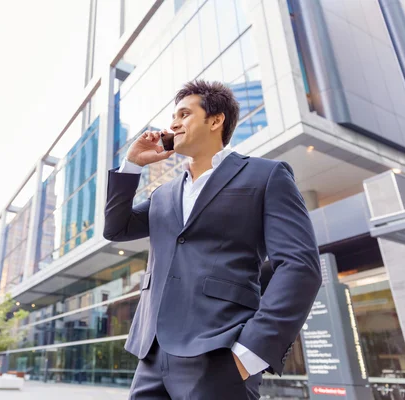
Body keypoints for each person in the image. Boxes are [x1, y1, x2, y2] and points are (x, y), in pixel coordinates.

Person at [103, 80, 322, 399]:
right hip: (151, 355)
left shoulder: (265, 176)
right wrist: (132, 165)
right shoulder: (163, 194)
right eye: (172, 117)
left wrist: (251, 353)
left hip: (220, 353)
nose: (173, 123)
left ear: (215, 120)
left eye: (184, 114)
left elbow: (300, 267)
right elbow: (116, 228)